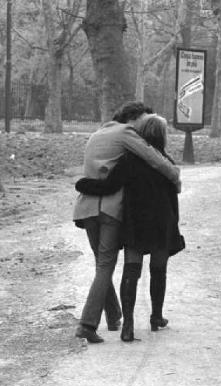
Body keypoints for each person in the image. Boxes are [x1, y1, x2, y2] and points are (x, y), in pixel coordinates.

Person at [72, 102, 181, 344]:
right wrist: (176, 177)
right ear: (133, 118)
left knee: (102, 263)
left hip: (85, 208)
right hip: (109, 208)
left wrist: (81, 184)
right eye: (145, 116)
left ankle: (113, 316)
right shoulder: (126, 133)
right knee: (105, 266)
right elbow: (155, 159)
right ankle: (87, 324)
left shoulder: (98, 133)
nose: (147, 120)